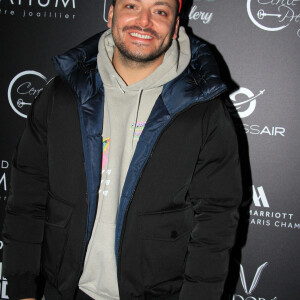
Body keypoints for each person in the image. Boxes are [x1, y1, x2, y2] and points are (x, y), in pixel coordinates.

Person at [3, 0, 242, 299]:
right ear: (111, 14)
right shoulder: (61, 96)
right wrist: (23, 287)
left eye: (160, 11)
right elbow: (28, 196)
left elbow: (215, 223)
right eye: (132, 6)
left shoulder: (203, 110)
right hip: (64, 290)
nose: (144, 22)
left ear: (175, 24)